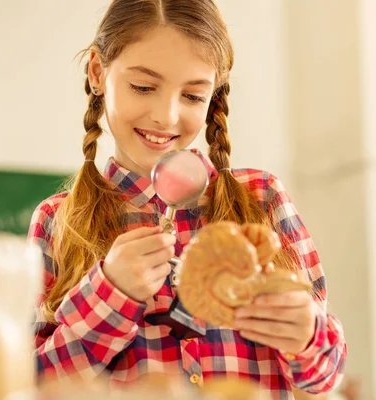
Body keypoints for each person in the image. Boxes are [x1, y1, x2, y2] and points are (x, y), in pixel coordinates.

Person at [27, 1, 347, 399]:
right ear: (97, 73)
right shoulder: (57, 221)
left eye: (193, 96)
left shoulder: (262, 198)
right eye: (143, 87)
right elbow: (29, 385)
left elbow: (325, 375)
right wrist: (110, 294)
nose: (166, 116)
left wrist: (307, 336)